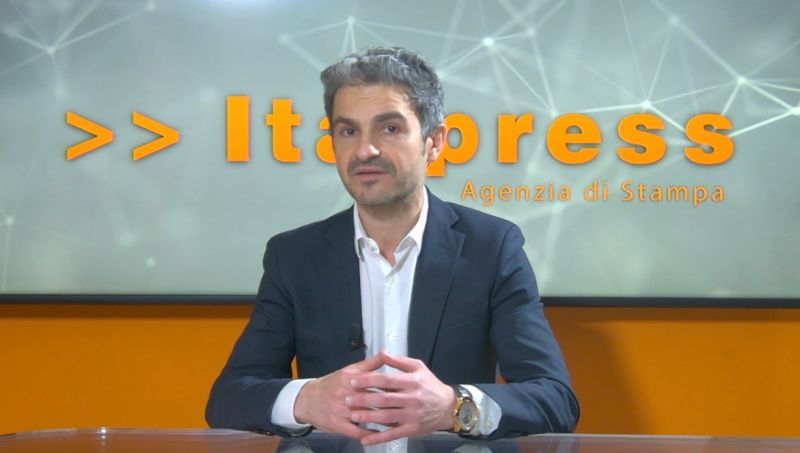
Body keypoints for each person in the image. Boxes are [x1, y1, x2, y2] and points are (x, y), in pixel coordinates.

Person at [206, 46, 579, 444]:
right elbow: (229, 397)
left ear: (434, 141)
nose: (364, 150)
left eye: (389, 128)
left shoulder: (491, 248)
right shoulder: (294, 256)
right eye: (349, 131)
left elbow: (554, 399)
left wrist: (453, 406)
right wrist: (308, 400)